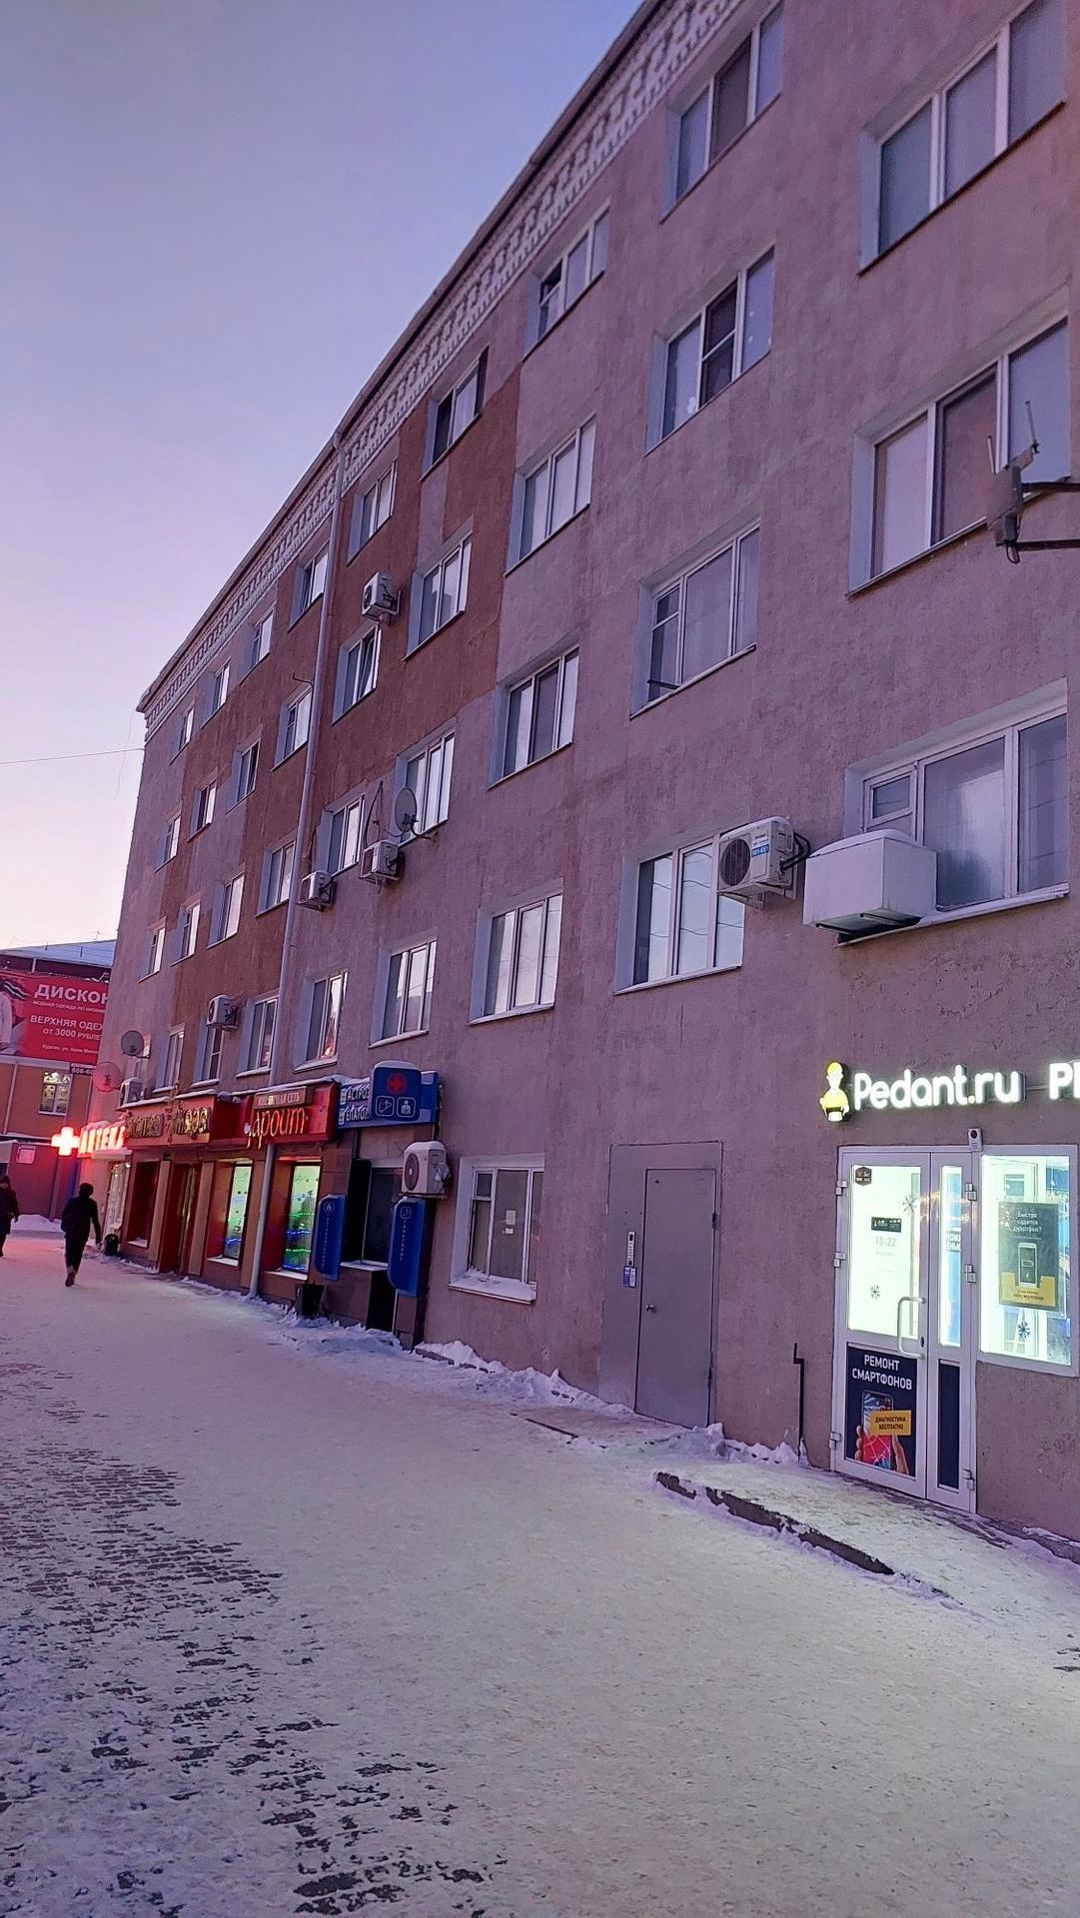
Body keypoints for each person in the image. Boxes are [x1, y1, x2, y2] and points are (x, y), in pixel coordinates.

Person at [60, 1182, 102, 1287]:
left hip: (71, 1231)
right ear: (90, 1193)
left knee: (69, 1252)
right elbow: (95, 1221)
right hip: (83, 1232)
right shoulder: (92, 1204)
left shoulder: (72, 1201)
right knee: (78, 1253)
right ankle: (74, 1271)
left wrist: (65, 1225)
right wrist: (98, 1237)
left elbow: (63, 1214)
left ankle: (70, 1269)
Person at [0, 1173, 20, 1255]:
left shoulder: (11, 1193)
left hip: (6, 1217)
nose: (4, 1185)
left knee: (2, 1234)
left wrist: (16, 1214)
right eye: (2, 1183)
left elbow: (14, 1204)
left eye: (6, 1183)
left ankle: (0, 1248)